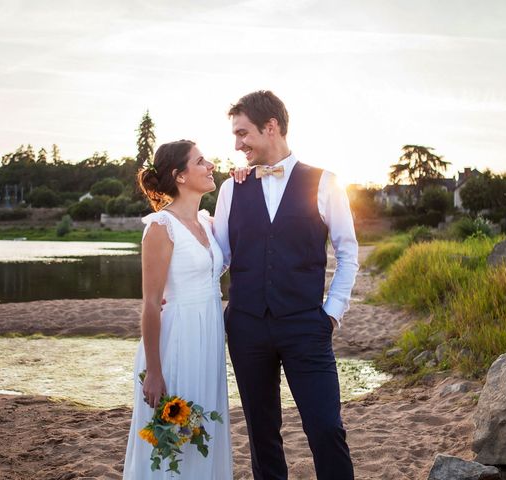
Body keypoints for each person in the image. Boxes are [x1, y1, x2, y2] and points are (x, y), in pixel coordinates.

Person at [213, 91, 359, 480]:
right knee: (262, 435)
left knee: (326, 428)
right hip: (246, 326)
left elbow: (348, 252)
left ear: (271, 126)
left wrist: (331, 314)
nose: (237, 144)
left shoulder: (325, 182)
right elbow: (221, 258)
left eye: (243, 133)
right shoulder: (231, 189)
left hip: (306, 326)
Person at [123, 140, 232, 479]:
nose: (211, 165)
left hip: (209, 336)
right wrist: (154, 370)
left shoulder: (207, 223)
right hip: (178, 340)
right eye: (201, 161)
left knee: (204, 431)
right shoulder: (160, 227)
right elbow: (152, 304)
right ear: (180, 176)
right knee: (174, 440)